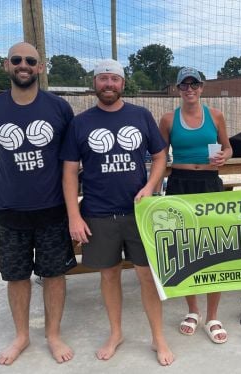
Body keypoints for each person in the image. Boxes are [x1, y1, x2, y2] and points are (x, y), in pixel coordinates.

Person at [61, 59, 175, 366]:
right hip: (98, 213)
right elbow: (70, 172)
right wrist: (74, 215)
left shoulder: (140, 115)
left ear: (122, 83)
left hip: (138, 212)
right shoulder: (81, 123)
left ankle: (158, 338)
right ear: (94, 83)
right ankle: (116, 333)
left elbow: (160, 155)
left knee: (147, 276)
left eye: (114, 79)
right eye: (103, 79)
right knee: (109, 275)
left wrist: (151, 185)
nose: (108, 84)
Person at [0, 42, 76, 365]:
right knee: (16, 276)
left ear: (40, 67)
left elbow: (69, 161)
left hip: (52, 208)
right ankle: (21, 335)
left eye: (30, 61)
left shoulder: (58, 108)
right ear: (6, 65)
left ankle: (53, 334)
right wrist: (14, 178)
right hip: (9, 208)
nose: (23, 65)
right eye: (17, 60)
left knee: (54, 274)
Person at [158, 67, 233, 344]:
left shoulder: (216, 115)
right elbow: (159, 157)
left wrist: (223, 156)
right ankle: (193, 311)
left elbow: (227, 147)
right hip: (180, 184)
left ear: (202, 88)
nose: (189, 89)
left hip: (210, 183)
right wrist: (153, 192)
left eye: (194, 84)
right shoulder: (168, 119)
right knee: (186, 251)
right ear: (178, 89)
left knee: (214, 249)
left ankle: (213, 316)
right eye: (184, 85)